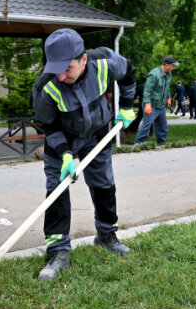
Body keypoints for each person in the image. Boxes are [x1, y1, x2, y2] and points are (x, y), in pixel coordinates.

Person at [32, 28, 136, 281]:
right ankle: (58, 251)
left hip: (98, 132)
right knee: (56, 189)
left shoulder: (104, 62)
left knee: (103, 184)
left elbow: (129, 73)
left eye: (67, 68)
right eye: (55, 68)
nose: (61, 74)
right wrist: (65, 155)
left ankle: (106, 235)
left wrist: (127, 108)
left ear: (84, 59)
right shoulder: (45, 86)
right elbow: (49, 126)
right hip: (62, 139)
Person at [133, 56, 178, 145]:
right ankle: (138, 144)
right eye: (173, 66)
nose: (174, 68)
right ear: (167, 65)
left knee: (163, 127)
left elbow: (167, 87)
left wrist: (168, 97)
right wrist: (147, 104)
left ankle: (161, 144)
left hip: (161, 105)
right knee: (147, 125)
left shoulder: (169, 74)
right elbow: (147, 90)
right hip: (151, 105)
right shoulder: (154, 74)